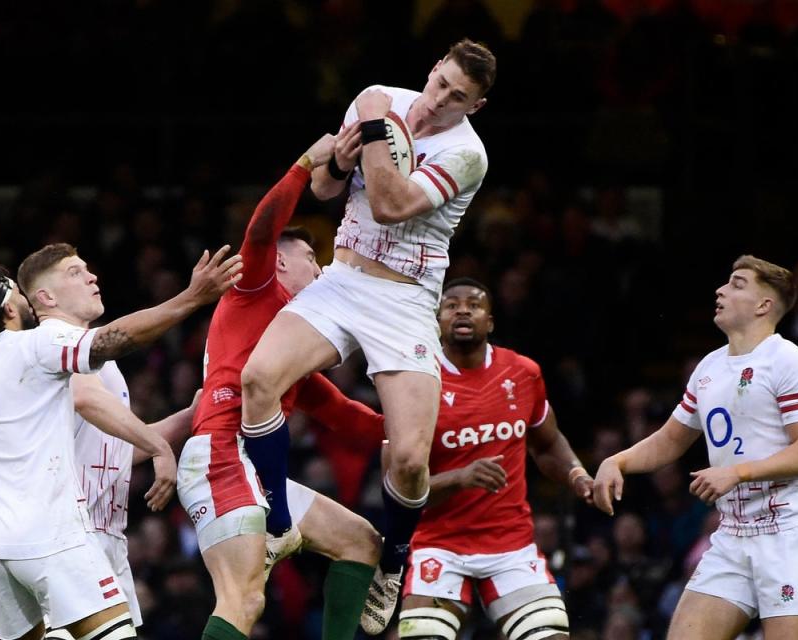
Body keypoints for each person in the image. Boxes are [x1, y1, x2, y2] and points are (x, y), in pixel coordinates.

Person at [239, 38, 497, 632]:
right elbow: (329, 190)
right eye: (441, 84)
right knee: (258, 379)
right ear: (432, 70)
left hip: (405, 299)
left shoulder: (466, 154)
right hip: (343, 278)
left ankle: (394, 563)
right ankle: (279, 523)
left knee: (408, 459)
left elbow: (387, 203)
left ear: (475, 107)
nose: (441, 101)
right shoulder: (381, 99)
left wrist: (375, 122)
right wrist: (338, 159)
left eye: (459, 98)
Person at [0, 248, 240, 640]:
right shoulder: (33, 346)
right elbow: (116, 339)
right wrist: (192, 298)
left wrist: (179, 424)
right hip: (50, 534)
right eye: (14, 293)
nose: (23, 299)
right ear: (7, 309)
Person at [180, 133, 384, 640]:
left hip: (250, 466)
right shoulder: (255, 288)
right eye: (313, 260)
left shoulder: (287, 351)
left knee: (360, 540)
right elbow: (262, 230)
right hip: (222, 455)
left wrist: (421, 431)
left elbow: (344, 416)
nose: (321, 270)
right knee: (243, 600)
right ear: (282, 263)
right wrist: (304, 165)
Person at [593, 255, 798, 640]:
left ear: (764, 305)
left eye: (737, 284)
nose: (721, 290)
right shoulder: (709, 366)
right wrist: (617, 461)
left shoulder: (790, 362)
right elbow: (671, 438)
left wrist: (736, 472)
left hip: (790, 536)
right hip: (732, 536)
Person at [391, 278, 592, 640]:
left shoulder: (523, 372)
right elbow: (396, 489)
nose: (463, 310)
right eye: (451, 305)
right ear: (435, 320)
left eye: (474, 304)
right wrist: (459, 478)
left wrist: (577, 474)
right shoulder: (413, 381)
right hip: (439, 543)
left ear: (490, 321)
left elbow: (547, 444)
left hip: (510, 545)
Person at [15, 243, 199, 638]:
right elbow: (84, 398)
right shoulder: (53, 342)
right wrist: (158, 446)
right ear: (46, 297)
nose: (92, 277)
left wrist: (188, 418)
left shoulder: (91, 356)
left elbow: (114, 450)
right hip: (69, 536)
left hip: (101, 532)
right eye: (74, 273)